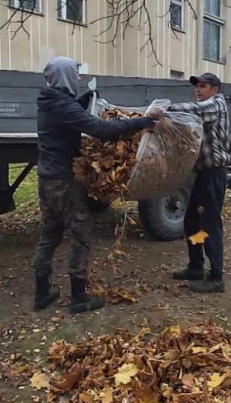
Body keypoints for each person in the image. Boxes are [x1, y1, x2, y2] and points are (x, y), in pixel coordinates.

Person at [34, 56, 154, 314]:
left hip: (47, 179)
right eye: (74, 74)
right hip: (65, 182)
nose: (78, 78)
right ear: (65, 76)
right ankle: (79, 298)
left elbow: (68, 114)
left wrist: (83, 100)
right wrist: (141, 122)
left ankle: (42, 293)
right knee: (80, 236)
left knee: (49, 235)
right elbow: (100, 129)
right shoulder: (60, 105)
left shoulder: (49, 100)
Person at [151, 72, 231, 293]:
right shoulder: (208, 105)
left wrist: (165, 109)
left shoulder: (216, 105)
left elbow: (196, 110)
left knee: (210, 226)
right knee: (192, 223)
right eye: (197, 87)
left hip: (214, 174)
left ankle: (216, 277)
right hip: (203, 174)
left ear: (215, 89)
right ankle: (196, 266)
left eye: (203, 86)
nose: (198, 90)